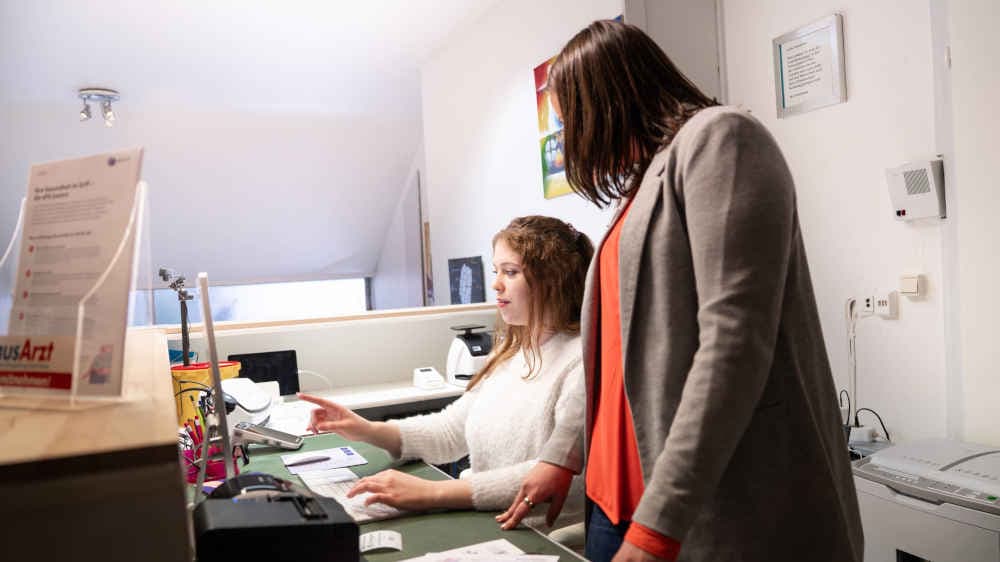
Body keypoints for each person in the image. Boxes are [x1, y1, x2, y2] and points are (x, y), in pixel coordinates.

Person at [497, 20, 863, 562]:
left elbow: (733, 344)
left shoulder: (722, 139)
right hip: (612, 505)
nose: (573, 136)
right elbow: (614, 362)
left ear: (610, 98)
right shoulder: (640, 187)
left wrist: (658, 524)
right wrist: (561, 456)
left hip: (695, 514)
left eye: (574, 117)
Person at [298, 215, 593, 530]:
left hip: (537, 533)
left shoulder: (579, 362)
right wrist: (367, 429)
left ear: (554, 281)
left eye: (510, 272)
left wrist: (433, 492)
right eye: (497, 271)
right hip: (487, 518)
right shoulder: (509, 354)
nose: (495, 283)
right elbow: (451, 431)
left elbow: (552, 474)